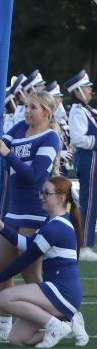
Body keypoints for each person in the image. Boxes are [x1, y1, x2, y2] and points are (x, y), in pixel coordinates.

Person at [0, 90, 61, 343]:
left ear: (46, 111)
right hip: (13, 210)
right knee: (2, 268)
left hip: (34, 214)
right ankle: (4, 328)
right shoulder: (18, 129)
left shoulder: (50, 138)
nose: (27, 111)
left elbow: (34, 176)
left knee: (30, 276)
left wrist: (7, 154)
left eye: (33, 107)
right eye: (25, 106)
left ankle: (59, 320)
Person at [0, 175, 88, 348]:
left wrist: (0, 277)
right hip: (58, 291)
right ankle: (68, 326)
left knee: (5, 297)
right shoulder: (51, 223)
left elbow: (26, 259)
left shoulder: (55, 227)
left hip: (63, 292)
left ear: (60, 198)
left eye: (46, 193)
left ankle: (55, 325)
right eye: (41, 192)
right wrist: (3, 229)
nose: (41, 196)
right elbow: (28, 245)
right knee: (16, 339)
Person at [67, 70, 97, 261]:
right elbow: (78, 139)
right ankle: (84, 245)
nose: (90, 90)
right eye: (87, 87)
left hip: (92, 158)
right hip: (89, 159)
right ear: (78, 91)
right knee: (89, 202)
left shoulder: (87, 110)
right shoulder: (77, 111)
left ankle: (85, 243)